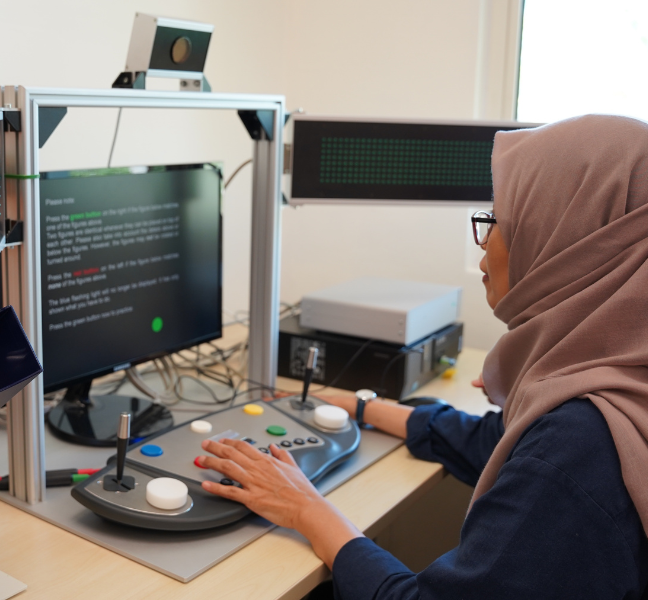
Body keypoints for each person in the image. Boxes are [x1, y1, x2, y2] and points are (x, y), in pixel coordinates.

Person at [198, 115, 648, 599]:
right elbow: (494, 442)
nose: (483, 251)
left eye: (497, 221)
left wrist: (304, 507)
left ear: (569, 242)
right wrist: (361, 406)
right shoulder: (617, 381)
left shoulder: (575, 449)